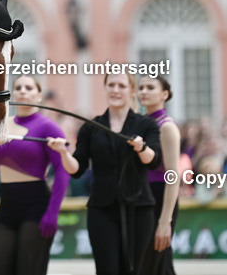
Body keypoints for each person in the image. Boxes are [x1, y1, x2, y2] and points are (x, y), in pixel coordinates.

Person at [49, 74, 162, 275]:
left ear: (132, 90)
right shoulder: (92, 127)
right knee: (106, 269)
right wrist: (64, 153)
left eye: (121, 85)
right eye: (111, 85)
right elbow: (77, 169)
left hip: (139, 206)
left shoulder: (146, 125)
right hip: (102, 208)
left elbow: (153, 161)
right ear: (105, 88)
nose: (115, 90)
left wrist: (141, 147)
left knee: (137, 269)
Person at [0, 76, 70, 275]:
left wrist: (52, 214)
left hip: (36, 206)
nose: (22, 91)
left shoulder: (49, 127)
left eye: (29, 88)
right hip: (7, 206)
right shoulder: (2, 127)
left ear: (38, 96)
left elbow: (63, 171)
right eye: (18, 87)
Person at [138, 76, 179, 275]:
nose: (144, 91)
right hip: (141, 196)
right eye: (141, 87)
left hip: (159, 197)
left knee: (155, 261)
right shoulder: (142, 124)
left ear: (165, 94)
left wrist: (165, 221)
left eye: (150, 87)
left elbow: (173, 175)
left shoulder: (167, 127)